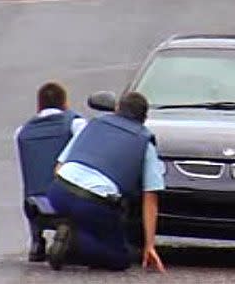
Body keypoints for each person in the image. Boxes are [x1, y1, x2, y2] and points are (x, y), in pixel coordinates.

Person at [45, 92, 166, 272]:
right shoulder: (144, 142)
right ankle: (74, 243)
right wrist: (150, 245)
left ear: (117, 109)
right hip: (93, 203)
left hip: (58, 191)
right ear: (144, 117)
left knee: (85, 218)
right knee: (120, 259)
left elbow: (59, 166)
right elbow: (150, 197)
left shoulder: (93, 125)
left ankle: (69, 231)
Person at [15, 82, 86, 262]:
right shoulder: (75, 124)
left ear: (39, 106)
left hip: (34, 204)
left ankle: (37, 241)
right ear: (65, 104)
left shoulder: (22, 132)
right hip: (65, 199)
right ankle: (75, 236)